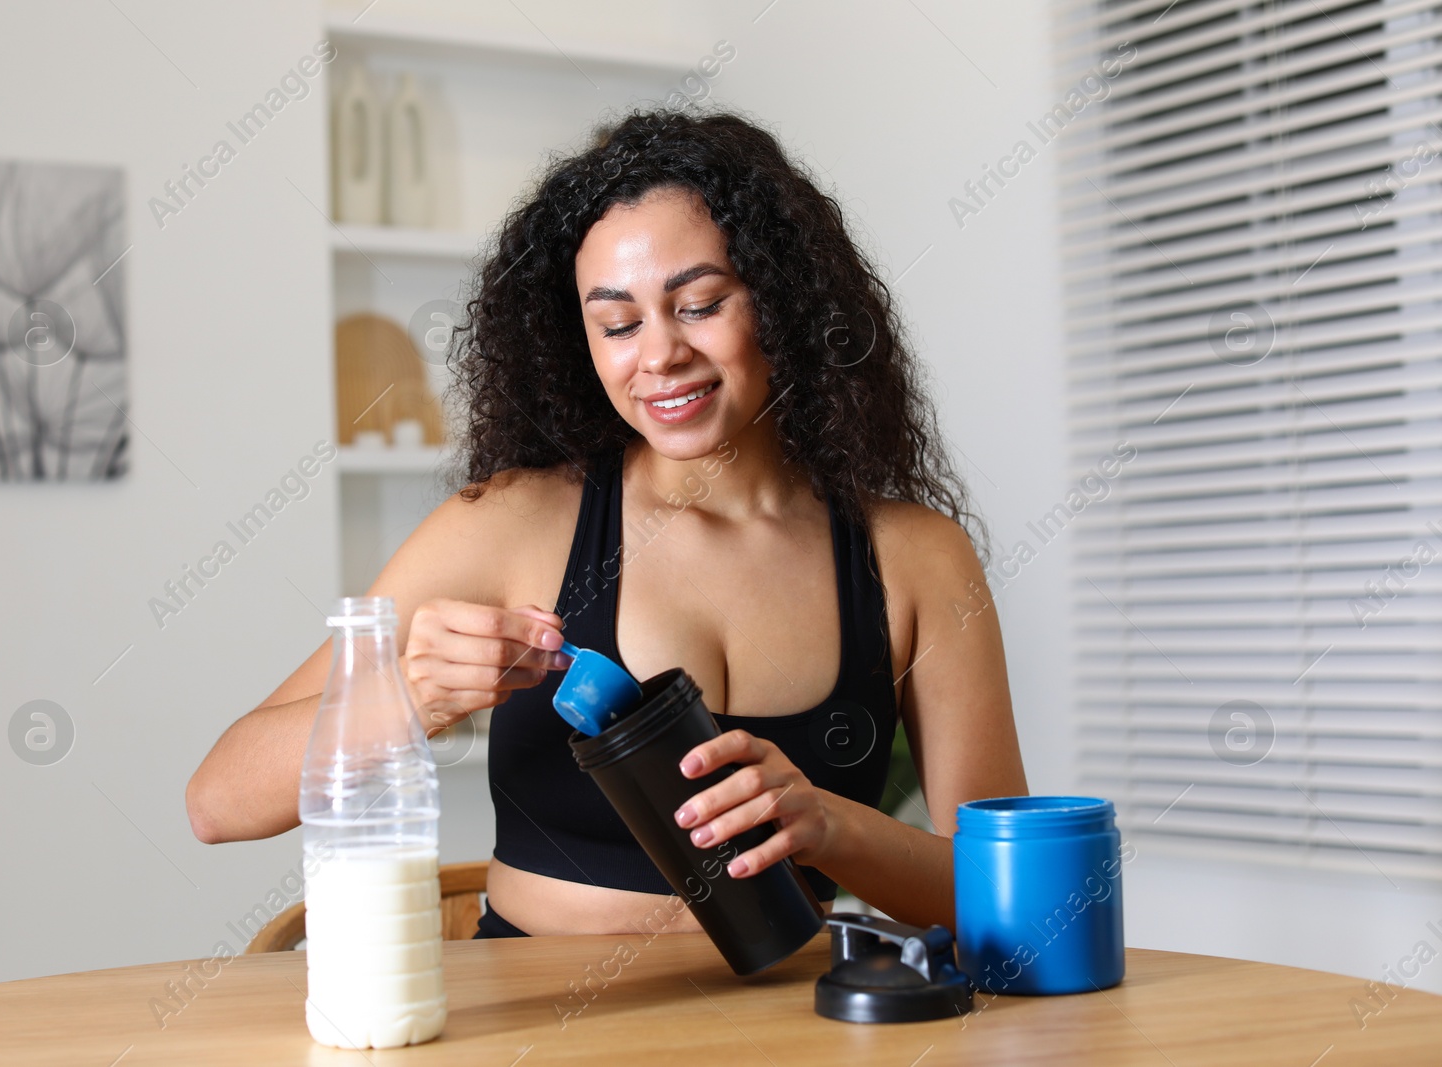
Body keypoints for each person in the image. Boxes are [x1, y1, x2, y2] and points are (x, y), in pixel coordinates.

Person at [186, 109, 1026, 939]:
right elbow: (219, 801)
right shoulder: (513, 523)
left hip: (785, 1025)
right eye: (618, 324)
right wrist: (412, 694)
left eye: (699, 305)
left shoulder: (915, 559)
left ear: (784, 300)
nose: (658, 355)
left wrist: (829, 824)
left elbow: (1010, 901)